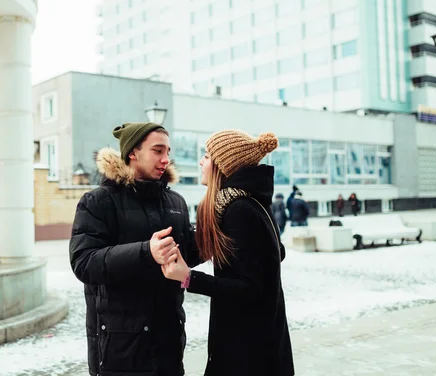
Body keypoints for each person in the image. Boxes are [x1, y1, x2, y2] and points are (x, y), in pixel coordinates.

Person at [69, 122, 201, 376]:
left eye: (168, 152)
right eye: (157, 151)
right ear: (132, 152)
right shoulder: (98, 201)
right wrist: (145, 252)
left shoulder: (176, 202)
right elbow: (84, 263)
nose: (166, 160)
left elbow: (186, 257)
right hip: (120, 347)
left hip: (169, 344)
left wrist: (211, 240)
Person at [162, 130, 294, 376]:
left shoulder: (239, 210)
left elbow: (250, 288)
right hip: (259, 343)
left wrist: (188, 277)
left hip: (248, 351)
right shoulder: (252, 202)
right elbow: (274, 255)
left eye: (206, 156)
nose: (201, 162)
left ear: (223, 165)